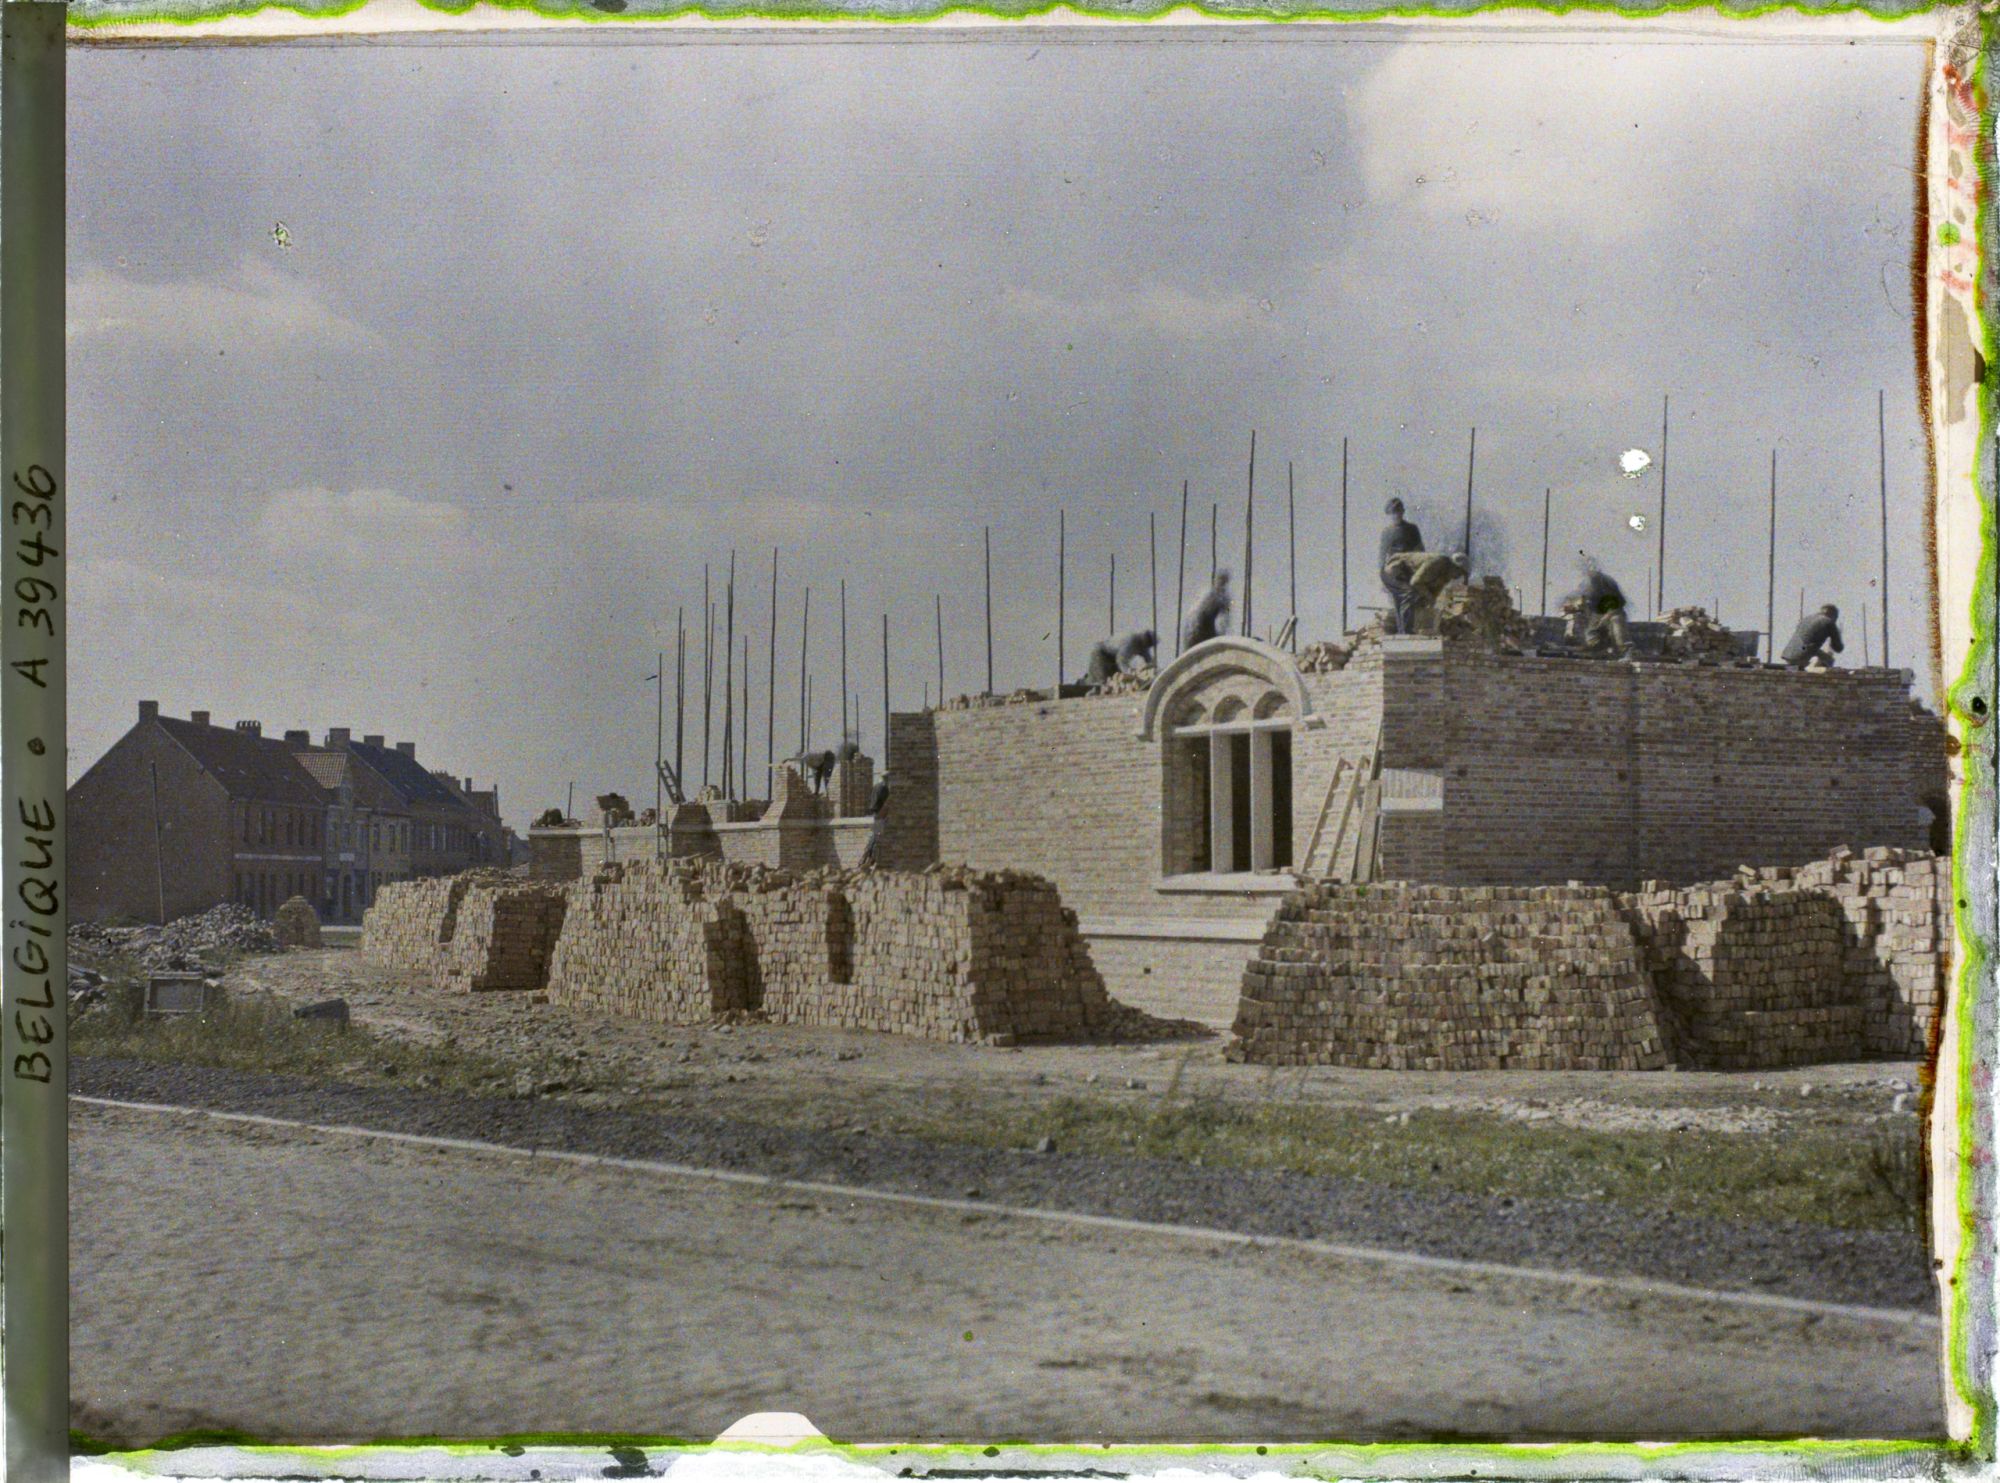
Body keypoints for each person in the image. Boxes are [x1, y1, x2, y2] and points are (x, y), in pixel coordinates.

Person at [1378, 549, 1466, 636]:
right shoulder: (1437, 562)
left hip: (1403, 576)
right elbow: (1415, 582)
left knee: (1414, 598)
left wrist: (1431, 602)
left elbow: (1434, 592)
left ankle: (1403, 631)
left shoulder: (1446, 576)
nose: (1458, 576)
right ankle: (1406, 632)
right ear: (1454, 566)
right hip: (1392, 570)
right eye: (1460, 572)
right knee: (1409, 594)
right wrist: (1428, 597)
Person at [1562, 558, 1632, 658]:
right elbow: (1583, 602)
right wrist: (1574, 607)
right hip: (1596, 616)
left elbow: (1618, 603)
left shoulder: (1606, 581)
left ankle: (1626, 652)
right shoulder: (1585, 584)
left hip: (1613, 613)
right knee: (1591, 638)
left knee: (1617, 625)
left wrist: (1606, 617)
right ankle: (1602, 651)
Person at [1378, 498, 1425, 634]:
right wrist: (1382, 577)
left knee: (1410, 597)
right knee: (1398, 601)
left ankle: (1407, 631)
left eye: (1398, 512)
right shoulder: (1387, 532)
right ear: (1389, 514)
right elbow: (1382, 555)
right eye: (1393, 513)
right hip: (1394, 572)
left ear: (1402, 512)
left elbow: (1420, 550)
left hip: (1410, 569)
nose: (1396, 516)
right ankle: (1403, 631)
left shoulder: (1412, 529)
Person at [1081, 628, 1158, 686]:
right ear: (1144, 638)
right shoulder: (1131, 641)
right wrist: (1130, 672)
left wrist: (1153, 672)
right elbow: (1121, 661)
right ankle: (1081, 683)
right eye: (1148, 643)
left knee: (1112, 680)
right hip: (1101, 654)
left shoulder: (1143, 646)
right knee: (1101, 681)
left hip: (1112, 657)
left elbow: (1149, 661)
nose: (1148, 646)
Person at [1781, 604, 1845, 669]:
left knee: (1815, 653)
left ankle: (1799, 669)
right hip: (1803, 652)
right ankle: (1815, 672)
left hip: (1788, 653)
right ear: (1833, 615)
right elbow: (1838, 648)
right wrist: (1836, 634)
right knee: (1829, 660)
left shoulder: (1807, 618)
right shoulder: (1828, 622)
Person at [1183, 570, 1232, 649]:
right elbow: (1196, 618)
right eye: (1221, 580)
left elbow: (1224, 621)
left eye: (1224, 581)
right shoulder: (1208, 596)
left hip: (1207, 631)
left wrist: (1221, 635)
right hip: (1198, 631)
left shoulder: (1224, 598)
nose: (1222, 583)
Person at [858, 776, 891, 868]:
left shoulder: (876, 787)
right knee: (876, 836)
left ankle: (867, 857)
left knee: (875, 835)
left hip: (877, 814)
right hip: (881, 814)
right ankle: (868, 857)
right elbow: (886, 803)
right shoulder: (883, 788)